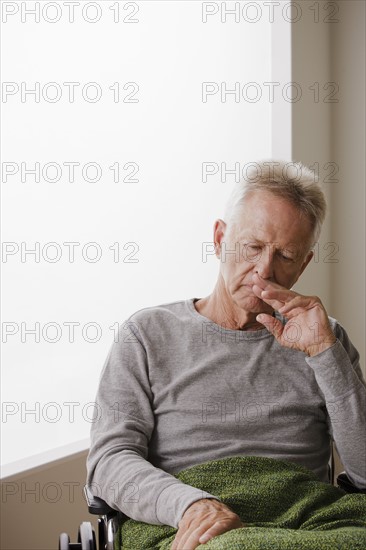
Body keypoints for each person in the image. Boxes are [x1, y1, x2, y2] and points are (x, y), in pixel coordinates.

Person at [86, 160, 366, 550]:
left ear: (303, 266)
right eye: (252, 247)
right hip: (190, 523)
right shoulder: (148, 334)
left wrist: (324, 354)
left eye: (285, 256)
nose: (263, 270)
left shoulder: (325, 339)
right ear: (219, 239)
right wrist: (192, 505)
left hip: (308, 522)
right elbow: (108, 464)